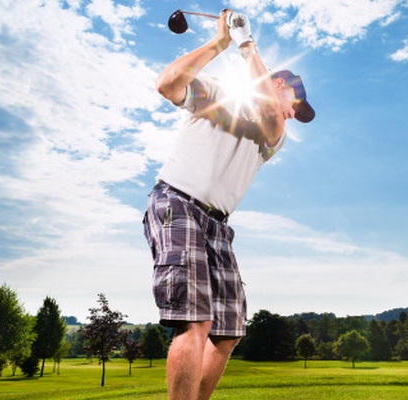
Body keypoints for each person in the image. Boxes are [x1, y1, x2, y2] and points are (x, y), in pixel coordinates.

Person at [143, 9, 315, 400]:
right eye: (294, 103)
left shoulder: (275, 133)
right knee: (197, 321)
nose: (292, 113)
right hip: (177, 202)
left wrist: (246, 44)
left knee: (229, 330)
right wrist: (222, 42)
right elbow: (168, 84)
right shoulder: (218, 94)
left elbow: (272, 111)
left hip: (218, 225)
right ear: (272, 84)